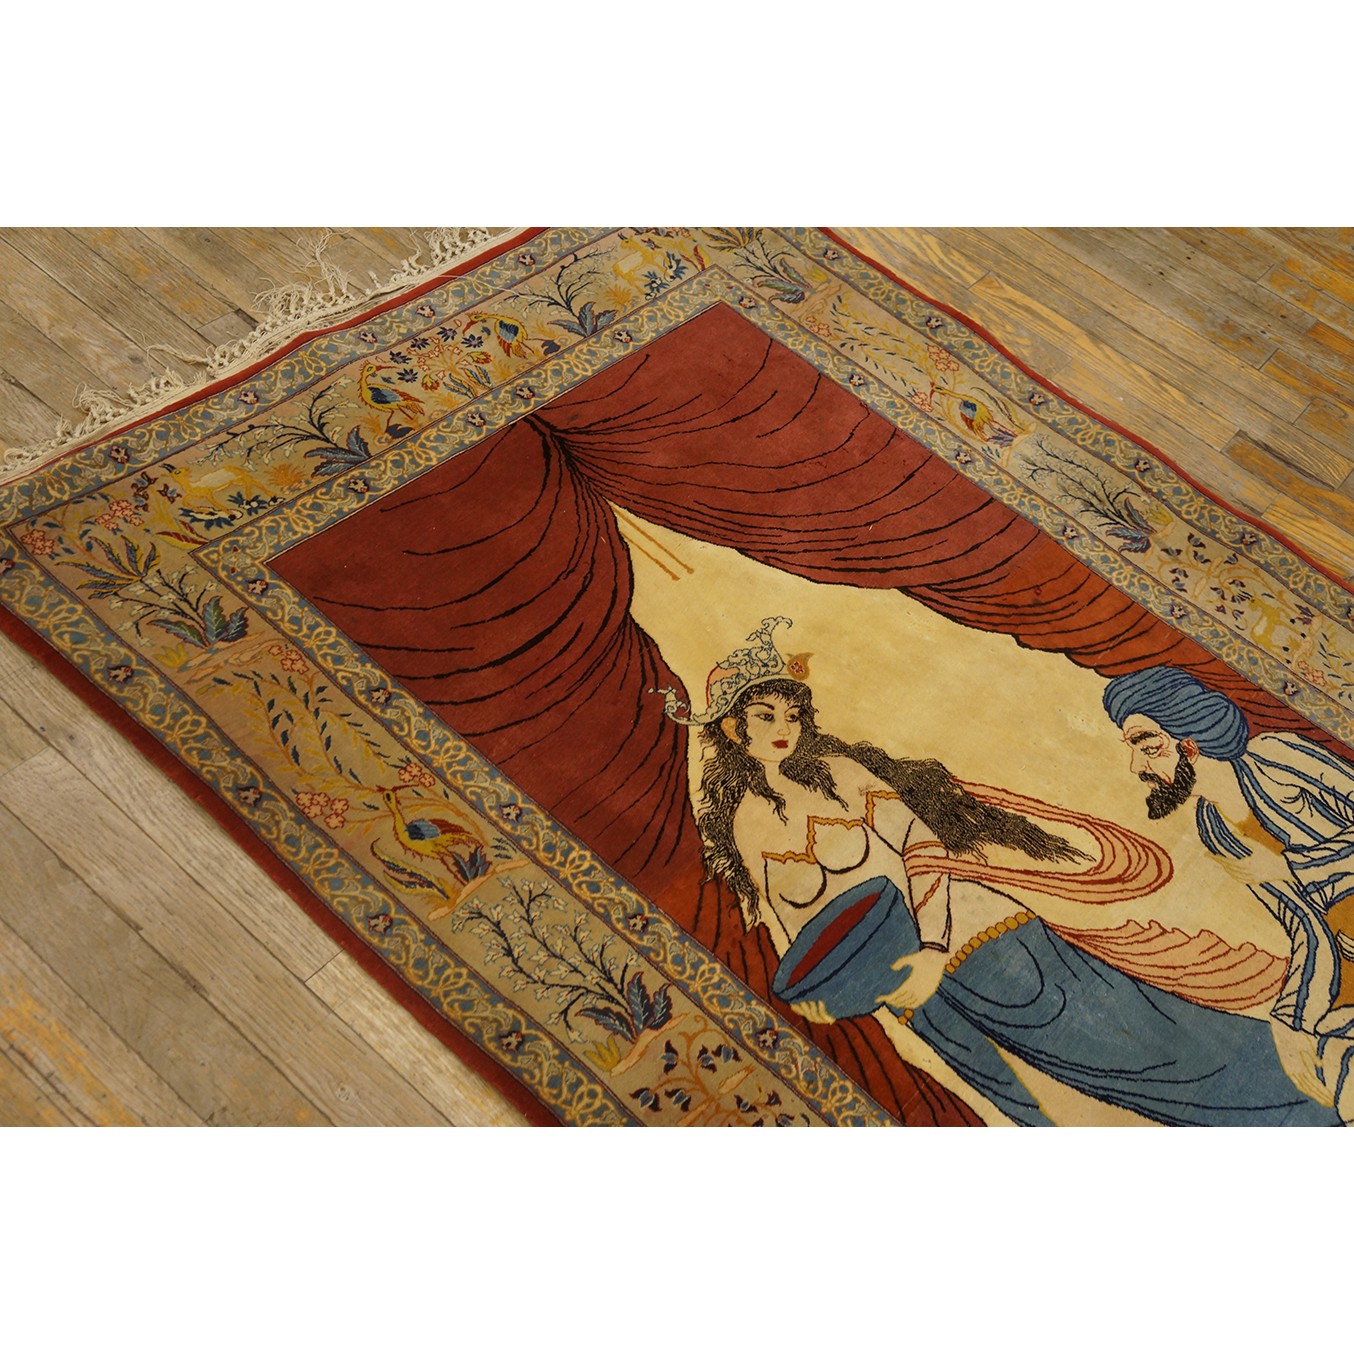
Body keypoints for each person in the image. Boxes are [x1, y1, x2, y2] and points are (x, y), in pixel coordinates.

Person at [663, 618, 1341, 1126]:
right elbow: (791, 922)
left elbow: (923, 849)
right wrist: (826, 990)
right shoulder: (742, 824)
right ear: (732, 730)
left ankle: (1297, 1111)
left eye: (790, 713)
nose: (782, 727)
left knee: (1135, 1050)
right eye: (764, 716)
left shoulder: (839, 774)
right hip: (904, 990)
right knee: (1028, 1110)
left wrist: (933, 949)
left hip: (974, 938)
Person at [1103, 665, 1354, 1122]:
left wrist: (1289, 866)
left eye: (1147, 746)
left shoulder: (1276, 757)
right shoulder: (1214, 829)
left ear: (1190, 746)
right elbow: (1305, 926)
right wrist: (1291, 1017)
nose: (1137, 767)